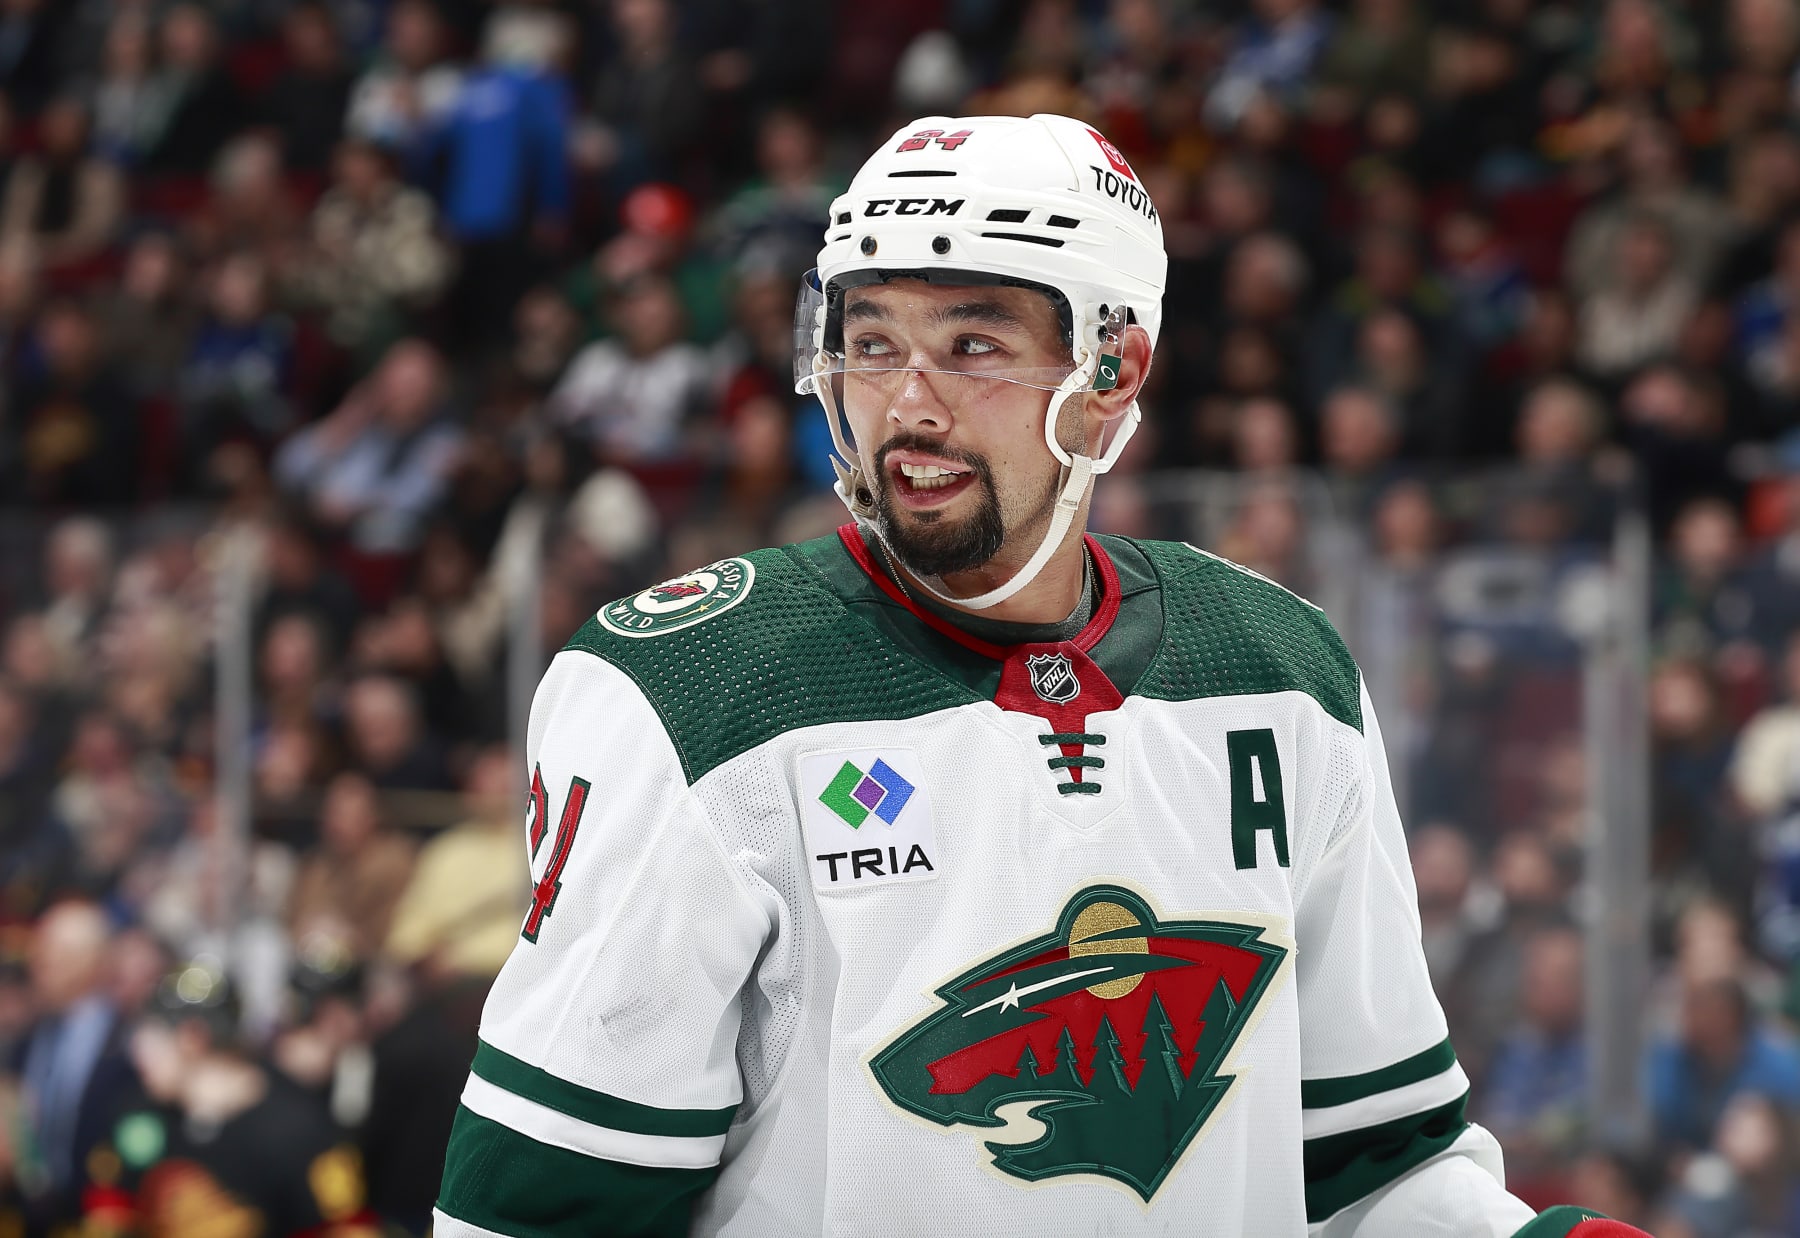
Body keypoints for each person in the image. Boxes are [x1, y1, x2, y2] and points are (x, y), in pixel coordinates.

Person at [433, 115, 1650, 1236]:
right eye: (872, 342)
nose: (908, 403)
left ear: (1114, 372)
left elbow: (1367, 1159)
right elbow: (539, 1208)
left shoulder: (1284, 674)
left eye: (974, 344)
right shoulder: (691, 696)